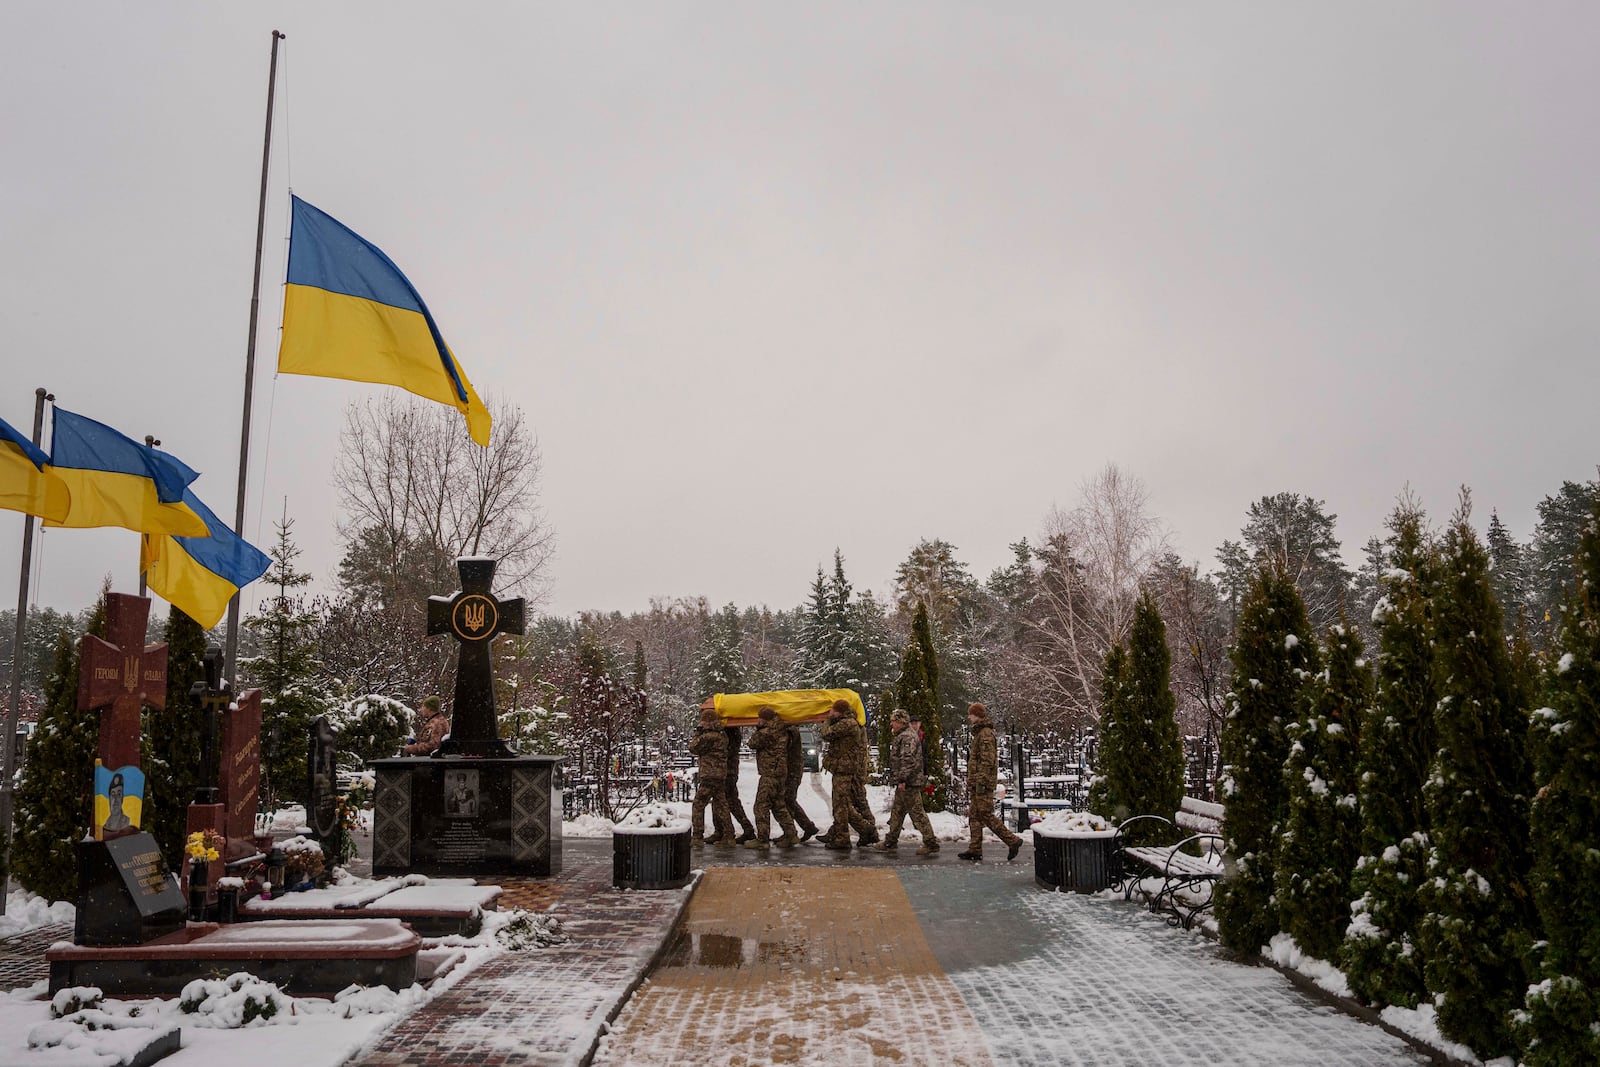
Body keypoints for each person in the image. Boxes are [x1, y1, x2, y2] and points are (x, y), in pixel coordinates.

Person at [959, 702, 1023, 862]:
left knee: (986, 814)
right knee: (974, 816)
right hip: (977, 782)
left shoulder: (985, 734)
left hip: (983, 783)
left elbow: (988, 761)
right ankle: (975, 849)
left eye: (971, 714)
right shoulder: (980, 733)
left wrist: (981, 781)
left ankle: (1012, 840)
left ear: (977, 715)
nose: (969, 717)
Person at [875, 709, 939, 855]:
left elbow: (907, 760)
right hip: (906, 781)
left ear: (900, 722)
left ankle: (931, 842)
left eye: (893, 721)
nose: (891, 723)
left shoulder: (907, 737)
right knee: (897, 812)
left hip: (909, 782)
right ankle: (890, 841)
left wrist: (902, 779)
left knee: (917, 813)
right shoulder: (904, 735)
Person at [821, 699, 878, 849]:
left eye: (833, 710)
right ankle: (862, 830)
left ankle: (846, 837)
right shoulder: (846, 722)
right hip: (843, 769)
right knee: (843, 804)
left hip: (845, 770)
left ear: (839, 711)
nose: (831, 713)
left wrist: (827, 719)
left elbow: (826, 734)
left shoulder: (848, 723)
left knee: (842, 804)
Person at [744, 707, 799, 850]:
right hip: (781, 773)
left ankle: (762, 839)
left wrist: (758, 728)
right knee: (779, 805)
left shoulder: (766, 732)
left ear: (764, 719)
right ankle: (791, 834)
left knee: (761, 806)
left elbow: (752, 743)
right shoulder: (782, 729)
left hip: (769, 774)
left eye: (759, 718)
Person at [690, 708, 735, 847]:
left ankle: (697, 836)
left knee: (698, 804)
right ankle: (729, 836)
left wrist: (698, 731)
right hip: (720, 774)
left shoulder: (708, 736)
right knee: (721, 805)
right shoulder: (722, 735)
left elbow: (693, 747)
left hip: (709, 774)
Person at [784, 719, 821, 843]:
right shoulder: (792, 731)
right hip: (791, 770)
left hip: (792, 771)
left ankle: (805, 827)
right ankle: (804, 827)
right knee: (788, 800)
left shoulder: (792, 731)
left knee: (787, 799)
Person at [723, 724, 758, 844]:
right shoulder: (732, 732)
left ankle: (740, 830)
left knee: (728, 801)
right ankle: (745, 829)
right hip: (727, 770)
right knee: (729, 801)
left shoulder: (730, 733)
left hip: (727, 771)